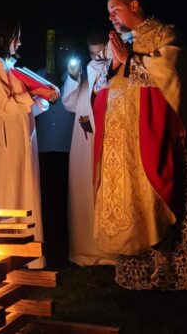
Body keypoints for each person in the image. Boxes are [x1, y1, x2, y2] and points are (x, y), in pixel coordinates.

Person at [91, 0, 187, 290]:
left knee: (157, 201)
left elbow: (172, 75)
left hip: (155, 137)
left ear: (135, 5)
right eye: (108, 12)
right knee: (128, 204)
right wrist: (115, 66)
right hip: (122, 144)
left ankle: (171, 275)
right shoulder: (117, 44)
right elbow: (102, 84)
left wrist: (130, 61)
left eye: (115, 9)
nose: (111, 16)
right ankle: (136, 275)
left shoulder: (166, 34)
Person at [0, 20, 59, 269]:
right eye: (16, 37)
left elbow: (24, 107)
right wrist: (35, 95)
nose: (19, 42)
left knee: (24, 193)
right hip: (5, 145)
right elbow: (3, 107)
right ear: (2, 37)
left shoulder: (8, 65)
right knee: (9, 195)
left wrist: (45, 98)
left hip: (21, 141)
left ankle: (27, 257)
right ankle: (5, 257)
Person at [61, 30, 117, 266]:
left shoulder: (114, 68)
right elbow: (69, 103)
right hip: (83, 143)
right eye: (92, 53)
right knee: (83, 193)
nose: (96, 57)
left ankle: (110, 249)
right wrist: (73, 77)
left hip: (107, 140)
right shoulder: (85, 72)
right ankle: (84, 249)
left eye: (100, 51)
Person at [35, 30, 75, 269]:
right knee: (47, 199)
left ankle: (66, 243)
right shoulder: (39, 75)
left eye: (67, 51)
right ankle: (48, 243)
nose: (62, 54)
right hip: (43, 146)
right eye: (59, 50)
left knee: (64, 199)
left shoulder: (74, 76)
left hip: (66, 146)